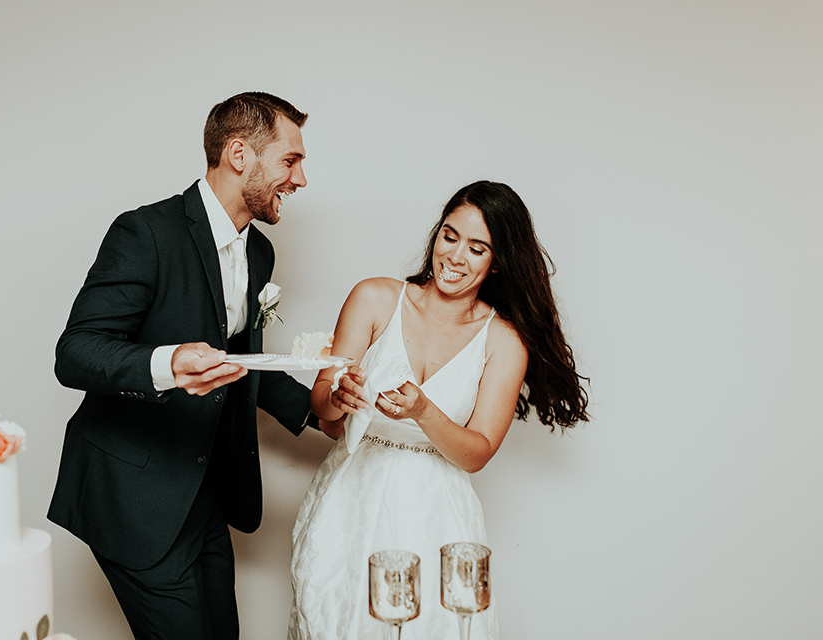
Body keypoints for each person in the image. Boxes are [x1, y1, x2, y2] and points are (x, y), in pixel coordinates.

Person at [48, 92, 325, 640]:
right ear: (239, 154)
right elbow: (75, 351)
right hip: (134, 495)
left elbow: (243, 364)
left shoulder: (258, 252)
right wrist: (168, 362)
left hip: (204, 494)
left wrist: (323, 408)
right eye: (290, 161)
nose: (301, 179)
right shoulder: (145, 233)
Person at [287, 180, 589, 639]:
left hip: (438, 513)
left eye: (477, 248)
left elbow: (478, 452)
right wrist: (337, 396)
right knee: (335, 622)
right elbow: (327, 415)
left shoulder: (503, 341)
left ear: (497, 261)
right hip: (351, 499)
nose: (455, 257)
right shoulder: (375, 298)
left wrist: (424, 411)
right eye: (450, 236)